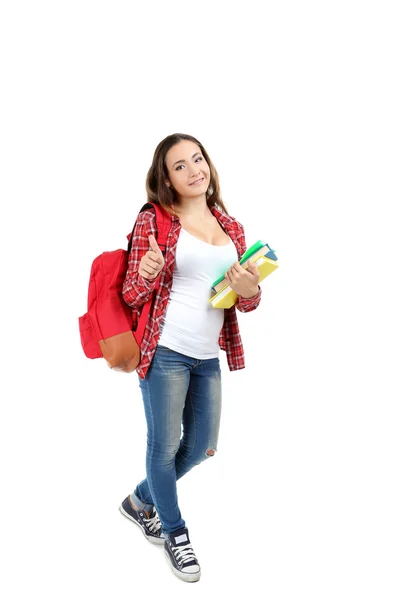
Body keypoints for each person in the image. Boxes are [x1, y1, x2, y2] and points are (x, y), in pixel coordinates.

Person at [119, 133, 263, 583]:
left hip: (206, 356)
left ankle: (140, 501)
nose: (193, 170)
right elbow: (130, 292)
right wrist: (146, 274)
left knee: (201, 446)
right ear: (166, 178)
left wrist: (250, 289)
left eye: (197, 159)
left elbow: (246, 300)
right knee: (162, 448)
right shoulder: (155, 221)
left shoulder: (231, 226)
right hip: (164, 351)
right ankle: (174, 531)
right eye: (179, 166)